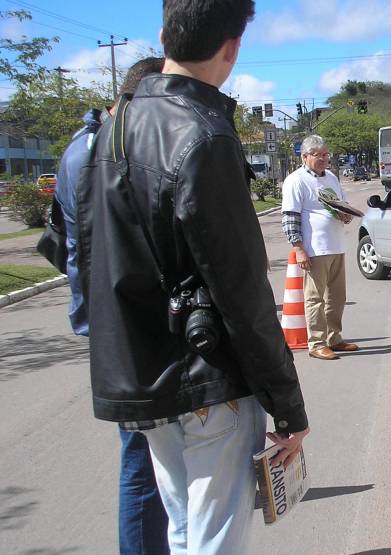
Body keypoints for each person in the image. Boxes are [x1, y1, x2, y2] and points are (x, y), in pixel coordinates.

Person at [76, 2, 309, 553]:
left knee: (183, 529)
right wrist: (288, 404)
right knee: (213, 538)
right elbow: (241, 288)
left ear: (164, 35)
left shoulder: (113, 130)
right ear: (232, 47)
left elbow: (88, 251)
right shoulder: (205, 134)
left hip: (147, 367)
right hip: (209, 375)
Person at [56, 57, 169, 555]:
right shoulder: (103, 151)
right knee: (142, 460)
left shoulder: (90, 145)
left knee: (149, 456)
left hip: (115, 321)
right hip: (125, 325)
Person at [281, 135, 358, 361]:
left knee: (337, 297)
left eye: (326, 154)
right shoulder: (296, 180)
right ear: (305, 157)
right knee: (315, 298)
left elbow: (341, 204)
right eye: (318, 155)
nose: (324, 159)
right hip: (314, 248)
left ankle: (334, 338)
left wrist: (346, 214)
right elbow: (290, 217)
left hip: (336, 245)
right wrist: (299, 248)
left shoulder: (331, 177)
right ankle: (317, 343)